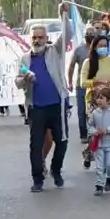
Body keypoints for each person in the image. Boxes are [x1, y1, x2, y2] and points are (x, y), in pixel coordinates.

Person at [17, 14, 72, 192]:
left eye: (41, 37)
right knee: (36, 145)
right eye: (34, 37)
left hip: (57, 105)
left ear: (47, 38)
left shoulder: (55, 51)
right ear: (30, 39)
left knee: (62, 141)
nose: (37, 40)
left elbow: (68, 34)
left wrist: (63, 13)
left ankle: (56, 170)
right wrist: (25, 79)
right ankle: (37, 179)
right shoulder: (25, 59)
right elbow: (17, 82)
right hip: (36, 108)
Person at [87, 85, 110, 195]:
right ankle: (99, 186)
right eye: (98, 98)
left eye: (102, 98)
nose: (99, 100)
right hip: (99, 145)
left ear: (109, 100)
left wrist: (107, 130)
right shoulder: (95, 113)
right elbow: (89, 126)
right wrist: (94, 131)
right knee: (99, 166)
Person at [68, 26, 99, 143]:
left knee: (96, 111)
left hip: (96, 85)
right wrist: (70, 82)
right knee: (82, 112)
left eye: (92, 33)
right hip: (81, 86)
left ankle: (95, 134)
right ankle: (84, 135)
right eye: (88, 33)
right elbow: (71, 66)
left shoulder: (99, 49)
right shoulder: (79, 50)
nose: (90, 35)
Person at [79, 34, 110, 107]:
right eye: (100, 46)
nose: (103, 48)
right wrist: (95, 83)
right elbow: (83, 83)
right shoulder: (88, 62)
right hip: (93, 99)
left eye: (105, 46)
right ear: (94, 47)